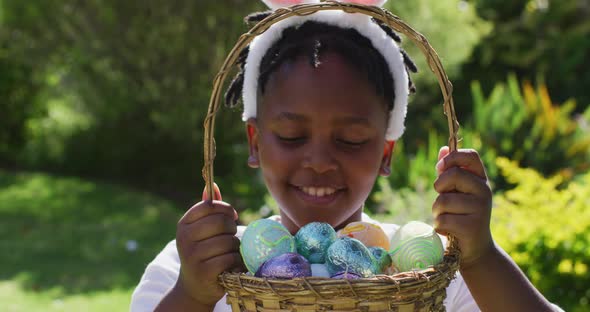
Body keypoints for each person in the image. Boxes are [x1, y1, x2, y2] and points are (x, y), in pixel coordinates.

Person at [130, 1, 561, 311]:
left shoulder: (435, 273)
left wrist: (481, 257)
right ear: (256, 141)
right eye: (292, 135)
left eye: (352, 139)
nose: (319, 160)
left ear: (386, 152)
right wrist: (191, 295)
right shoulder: (199, 270)